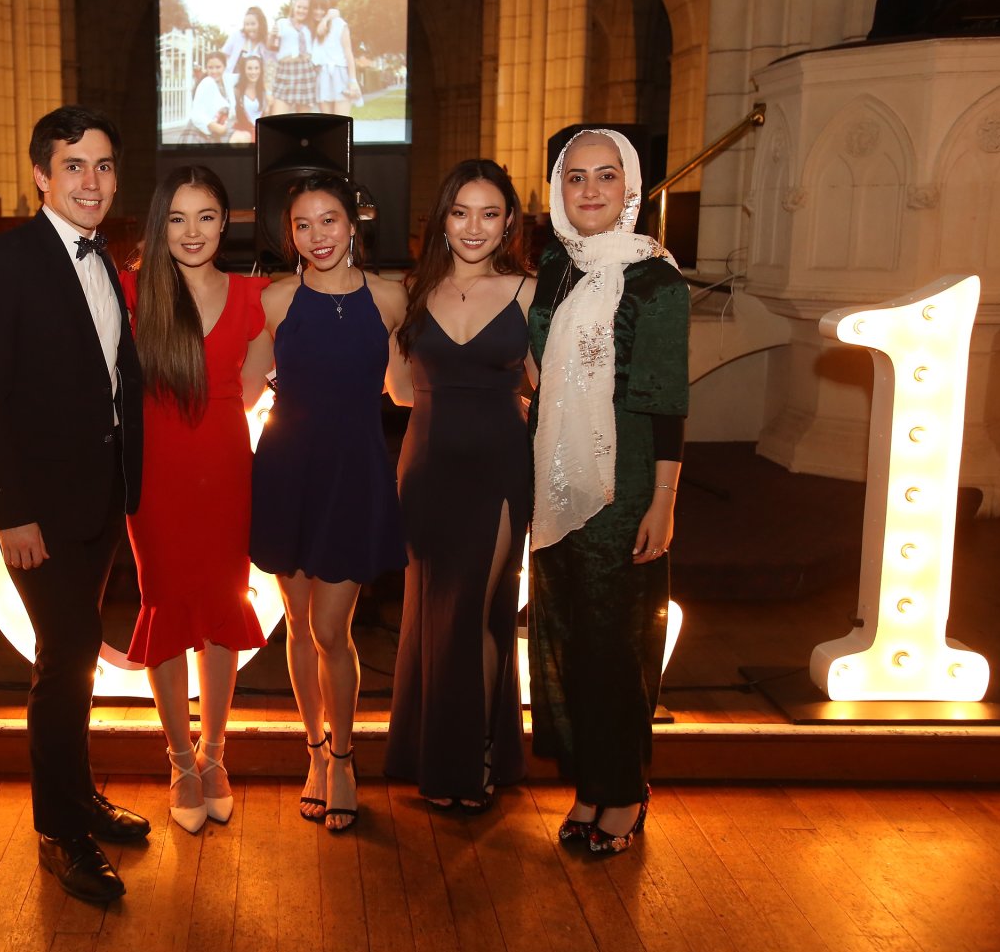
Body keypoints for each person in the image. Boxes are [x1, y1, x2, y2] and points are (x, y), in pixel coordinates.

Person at [0, 105, 148, 904]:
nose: (90, 181)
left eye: (103, 165)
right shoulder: (0, 263)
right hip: (36, 508)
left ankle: (79, 798)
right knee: (63, 658)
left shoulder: (107, 260)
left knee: (77, 654)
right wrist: (11, 512)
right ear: (40, 175)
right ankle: (59, 832)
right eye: (73, 165)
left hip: (98, 499)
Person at [527, 128, 689, 856]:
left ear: (631, 188)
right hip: (554, 477)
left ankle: (624, 792)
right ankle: (589, 783)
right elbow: (538, 365)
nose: (590, 190)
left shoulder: (655, 280)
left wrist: (664, 500)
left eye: (606, 175)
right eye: (575, 177)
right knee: (566, 633)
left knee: (615, 643)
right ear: (558, 189)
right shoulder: (556, 265)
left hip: (625, 483)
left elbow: (667, 399)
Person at [250, 173, 407, 832]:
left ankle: (344, 757)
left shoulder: (390, 297)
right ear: (290, 235)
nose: (317, 235)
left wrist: (496, 389)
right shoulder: (276, 300)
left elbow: (406, 389)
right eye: (303, 225)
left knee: (330, 630)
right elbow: (241, 387)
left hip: (353, 476)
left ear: (353, 223)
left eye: (329, 221)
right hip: (287, 471)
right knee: (295, 621)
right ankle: (313, 750)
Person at [121, 166, 274, 834]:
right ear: (161, 225)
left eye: (206, 216)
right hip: (155, 474)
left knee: (220, 606)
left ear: (225, 222)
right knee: (165, 607)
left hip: (225, 469)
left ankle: (215, 755)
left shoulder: (253, 296)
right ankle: (179, 759)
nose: (192, 232)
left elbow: (249, 388)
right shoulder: (132, 291)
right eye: (178, 218)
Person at [385, 159, 536, 813]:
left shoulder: (530, 293)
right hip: (427, 469)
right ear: (441, 219)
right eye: (461, 212)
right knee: (436, 613)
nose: (474, 227)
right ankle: (442, 754)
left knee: (476, 607)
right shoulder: (411, 292)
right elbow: (398, 389)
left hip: (499, 467)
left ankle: (474, 752)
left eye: (489, 214)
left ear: (509, 223)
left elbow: (548, 387)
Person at [309, 0, 362, 115]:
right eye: (315, 8)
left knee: (341, 121)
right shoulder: (310, 28)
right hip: (322, 76)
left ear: (327, 10)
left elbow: (348, 53)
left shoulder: (338, 23)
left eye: (322, 8)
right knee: (327, 123)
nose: (318, 12)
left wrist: (352, 80)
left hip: (340, 74)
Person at [269, 0, 317, 115]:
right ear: (293, 6)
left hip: (305, 71)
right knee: (278, 117)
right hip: (285, 70)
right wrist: (272, 36)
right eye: (299, 7)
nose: (301, 11)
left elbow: (333, 13)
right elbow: (272, 47)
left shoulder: (310, 27)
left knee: (303, 119)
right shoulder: (282, 23)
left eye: (305, 8)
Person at [221, 6, 274, 95]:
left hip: (255, 87)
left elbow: (270, 65)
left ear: (261, 24)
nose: (249, 28)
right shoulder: (237, 36)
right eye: (247, 24)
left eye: (253, 24)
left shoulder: (266, 42)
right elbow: (223, 55)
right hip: (233, 84)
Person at [187, 51, 234, 142]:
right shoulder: (207, 82)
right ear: (206, 68)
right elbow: (196, 113)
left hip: (214, 131)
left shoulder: (226, 81)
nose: (214, 71)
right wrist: (218, 128)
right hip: (201, 133)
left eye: (218, 67)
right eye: (210, 68)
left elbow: (244, 76)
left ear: (225, 67)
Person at [230, 54, 270, 144]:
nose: (253, 72)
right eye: (249, 68)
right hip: (243, 132)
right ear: (244, 70)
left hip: (261, 132)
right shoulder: (236, 91)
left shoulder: (265, 91)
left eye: (256, 68)